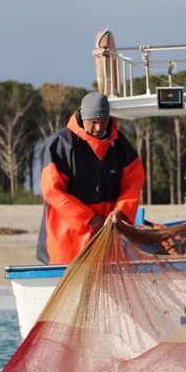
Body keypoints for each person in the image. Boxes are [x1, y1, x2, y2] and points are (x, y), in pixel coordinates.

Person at [36, 92, 145, 264]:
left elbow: (134, 181)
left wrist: (121, 211)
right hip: (66, 244)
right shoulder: (60, 144)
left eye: (103, 121)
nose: (98, 127)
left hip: (107, 243)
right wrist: (88, 218)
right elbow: (52, 191)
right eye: (93, 122)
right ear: (82, 116)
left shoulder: (120, 145)